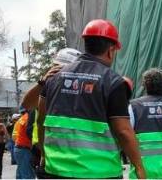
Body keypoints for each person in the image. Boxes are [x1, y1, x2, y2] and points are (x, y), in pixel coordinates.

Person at [37, 19, 146, 179]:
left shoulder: (53, 78)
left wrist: (43, 155)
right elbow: (123, 131)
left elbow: (40, 121)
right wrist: (139, 168)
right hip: (98, 172)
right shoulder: (113, 82)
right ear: (111, 50)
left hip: (56, 171)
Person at [18, 47, 82, 173]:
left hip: (73, 154)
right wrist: (42, 82)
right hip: (44, 151)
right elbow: (27, 104)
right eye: (57, 68)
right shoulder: (48, 86)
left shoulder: (79, 90)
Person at [12, 109, 35, 179]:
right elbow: (30, 133)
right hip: (24, 149)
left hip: (19, 148)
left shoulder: (22, 118)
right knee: (27, 176)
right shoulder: (28, 118)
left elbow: (14, 136)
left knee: (21, 175)